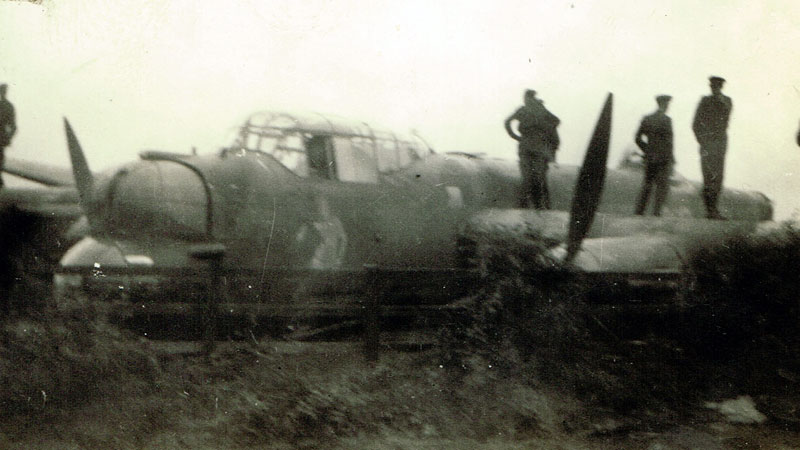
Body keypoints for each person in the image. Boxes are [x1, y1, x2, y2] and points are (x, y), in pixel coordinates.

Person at [504, 89, 560, 209]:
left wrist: (516, 136)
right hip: (533, 148)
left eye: (526, 98)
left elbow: (507, 122)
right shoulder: (535, 110)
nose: (525, 100)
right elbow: (555, 123)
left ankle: (534, 205)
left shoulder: (529, 110)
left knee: (533, 177)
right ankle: (535, 205)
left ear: (529, 98)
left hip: (533, 148)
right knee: (534, 177)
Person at [692, 76, 732, 220]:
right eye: (712, 86)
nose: (714, 89)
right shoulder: (704, 101)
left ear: (721, 87)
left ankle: (713, 209)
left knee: (718, 177)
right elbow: (695, 124)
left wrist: (719, 99)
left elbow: (727, 113)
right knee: (708, 176)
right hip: (708, 144)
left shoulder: (726, 101)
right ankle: (710, 210)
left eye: (716, 87)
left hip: (720, 144)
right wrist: (702, 141)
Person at [634, 95, 674, 216]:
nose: (668, 107)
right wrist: (671, 158)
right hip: (663, 158)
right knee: (662, 186)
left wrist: (647, 150)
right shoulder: (667, 120)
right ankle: (656, 214)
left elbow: (637, 138)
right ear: (664, 104)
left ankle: (639, 212)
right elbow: (669, 142)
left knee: (647, 185)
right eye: (667, 104)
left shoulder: (647, 118)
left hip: (650, 157)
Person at [0, 83, 16, 188]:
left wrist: (8, 138)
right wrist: (8, 138)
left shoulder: (9, 107)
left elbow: (13, 126)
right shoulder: (9, 106)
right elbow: (13, 127)